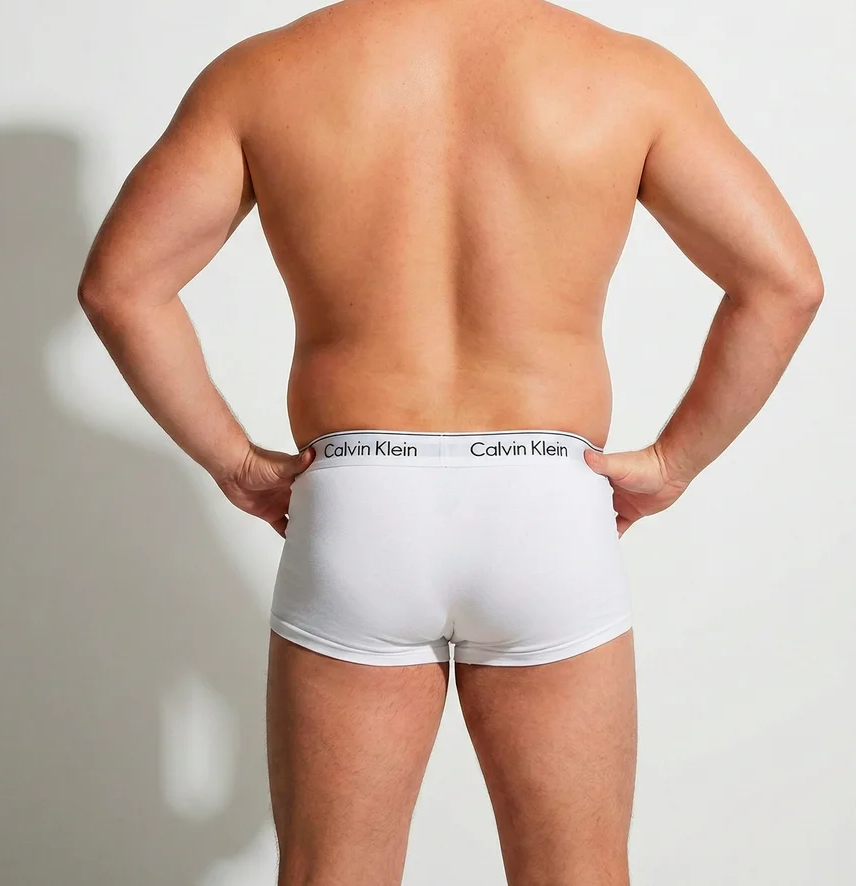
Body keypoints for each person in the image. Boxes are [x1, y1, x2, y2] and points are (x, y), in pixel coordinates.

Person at [77, 1, 823, 883]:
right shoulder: (629, 75)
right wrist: (673, 463)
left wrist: (235, 461)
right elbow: (785, 283)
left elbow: (121, 287)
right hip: (547, 500)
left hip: (358, 498)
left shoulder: (264, 73)